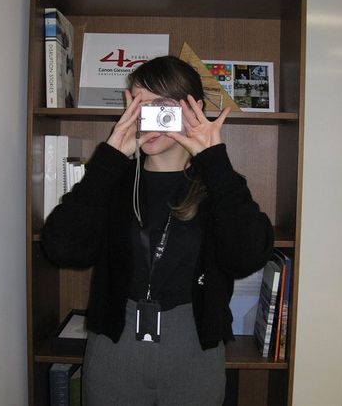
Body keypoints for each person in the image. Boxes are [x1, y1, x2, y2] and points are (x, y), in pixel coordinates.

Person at [41, 56, 274, 405]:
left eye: (160, 106)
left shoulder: (217, 184)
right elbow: (62, 248)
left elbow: (248, 256)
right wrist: (110, 158)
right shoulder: (113, 180)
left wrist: (215, 160)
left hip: (193, 344)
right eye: (138, 105)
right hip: (116, 343)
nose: (147, 118)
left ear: (192, 109)